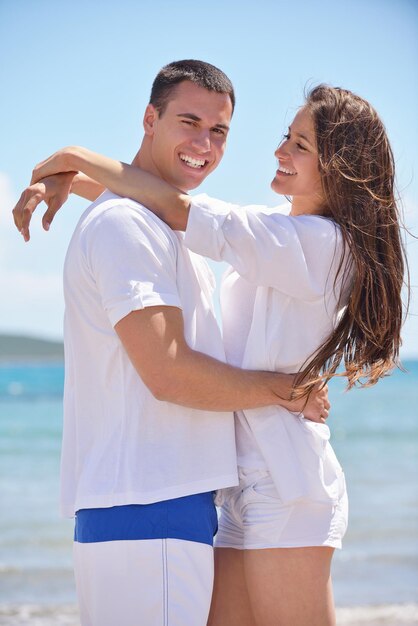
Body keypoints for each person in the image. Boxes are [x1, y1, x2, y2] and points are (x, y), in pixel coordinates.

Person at [16, 83, 407, 626]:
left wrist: (75, 158)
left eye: (301, 146)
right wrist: (79, 184)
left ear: (339, 168)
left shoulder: (320, 243)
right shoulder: (280, 230)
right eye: (285, 138)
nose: (280, 153)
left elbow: (181, 211)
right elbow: (168, 213)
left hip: (285, 484)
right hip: (235, 484)